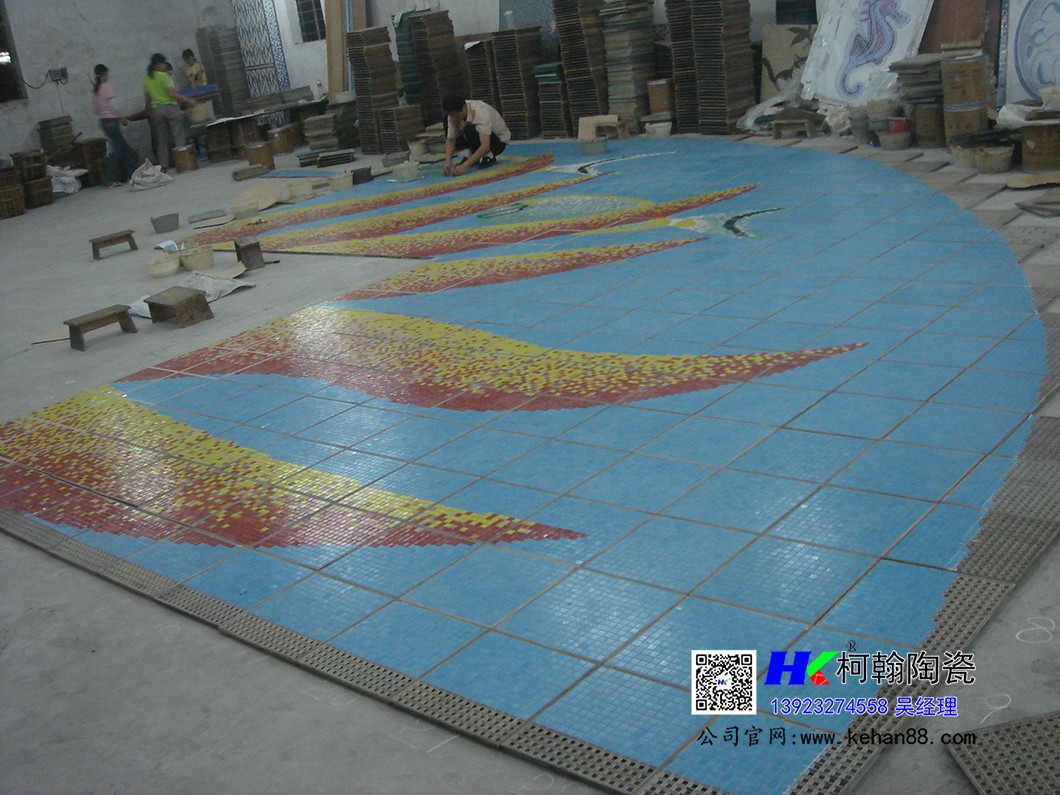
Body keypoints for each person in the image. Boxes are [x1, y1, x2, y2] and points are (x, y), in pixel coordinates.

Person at [142, 52, 197, 172]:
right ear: (157, 64)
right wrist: (187, 100)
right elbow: (171, 93)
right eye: (163, 63)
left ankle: (163, 166)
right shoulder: (163, 76)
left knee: (161, 139)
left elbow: (147, 97)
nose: (164, 65)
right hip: (171, 108)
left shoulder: (147, 79)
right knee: (178, 135)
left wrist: (149, 110)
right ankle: (183, 163)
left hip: (157, 111)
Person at [91, 64, 138, 187]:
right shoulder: (106, 87)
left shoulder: (95, 91)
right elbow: (114, 106)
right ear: (104, 74)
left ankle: (132, 174)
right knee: (116, 151)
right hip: (112, 120)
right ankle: (108, 177)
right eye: (107, 74)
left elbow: (95, 109)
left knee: (122, 148)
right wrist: (122, 117)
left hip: (103, 121)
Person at [441, 94, 510, 177]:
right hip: (476, 140)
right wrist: (447, 161)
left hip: (497, 143)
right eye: (452, 116)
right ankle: (471, 154)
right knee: (448, 124)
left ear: (464, 108)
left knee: (470, 129)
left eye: (457, 116)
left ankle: (488, 156)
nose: (455, 118)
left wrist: (465, 166)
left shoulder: (481, 111)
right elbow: (451, 140)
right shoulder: (452, 116)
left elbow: (485, 146)